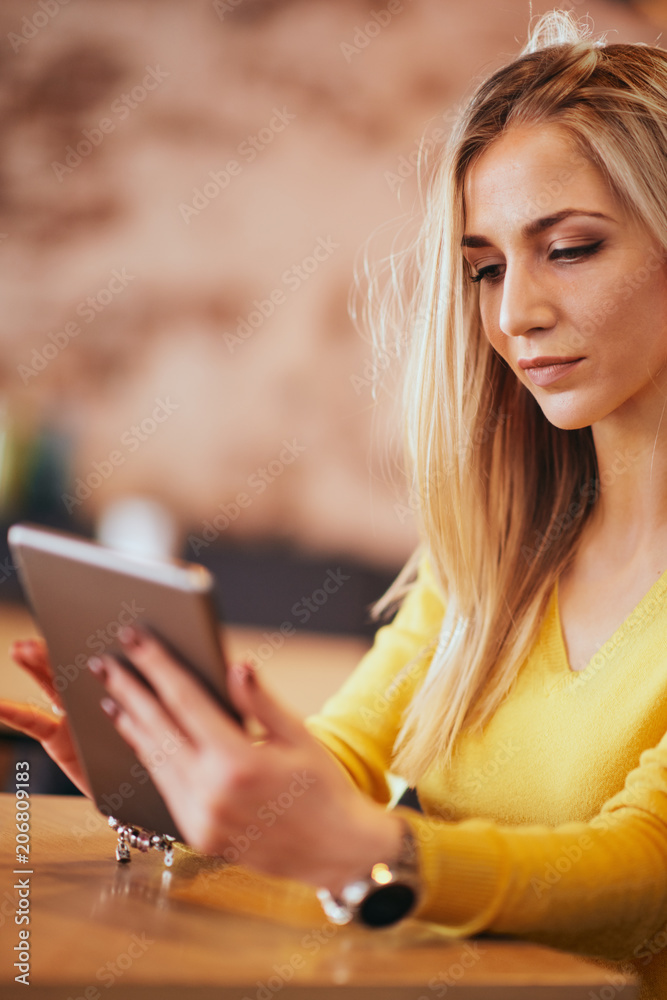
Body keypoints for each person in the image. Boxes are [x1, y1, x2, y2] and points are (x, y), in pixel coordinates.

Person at [4, 8, 667, 998]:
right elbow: (346, 754)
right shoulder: (491, 547)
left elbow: (644, 875)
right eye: (484, 268)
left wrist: (378, 853)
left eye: (569, 248)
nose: (512, 314)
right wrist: (184, 784)